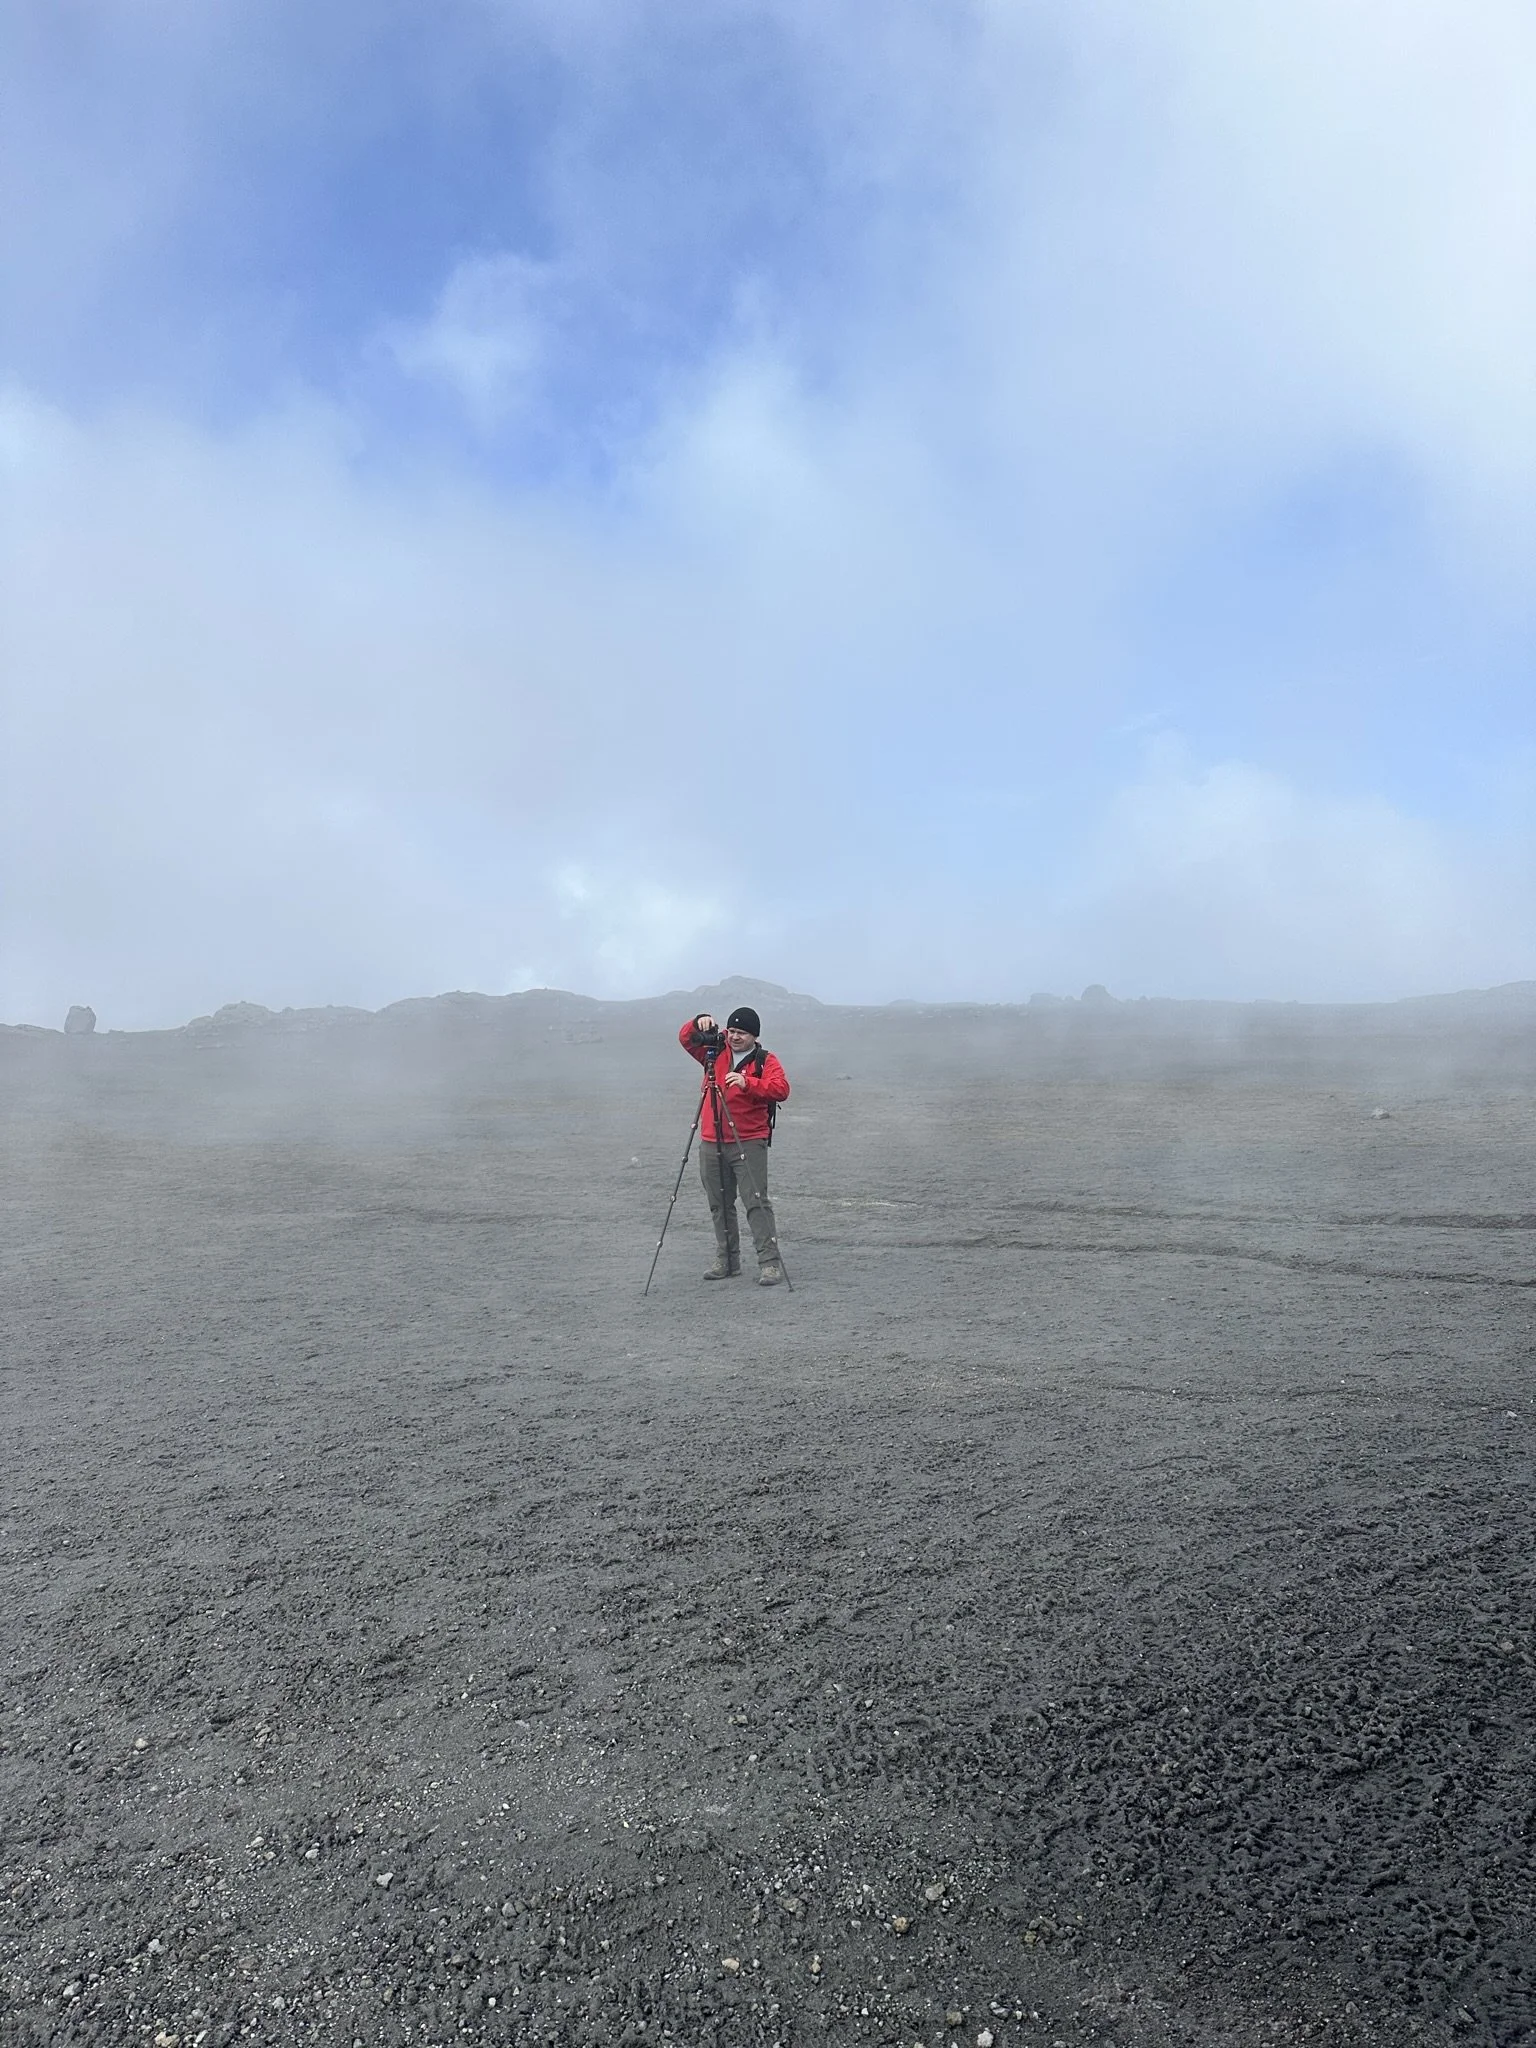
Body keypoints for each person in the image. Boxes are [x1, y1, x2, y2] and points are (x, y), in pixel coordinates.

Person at [678, 1005, 790, 1285]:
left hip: (749, 1141)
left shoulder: (765, 1060)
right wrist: (698, 1021)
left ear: (755, 1036)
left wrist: (747, 1083)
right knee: (719, 1203)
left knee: (756, 1202)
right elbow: (685, 1038)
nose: (735, 1037)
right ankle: (727, 1260)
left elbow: (781, 1089)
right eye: (733, 1031)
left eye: (742, 1033)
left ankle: (769, 1263)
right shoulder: (713, 1052)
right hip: (711, 1140)